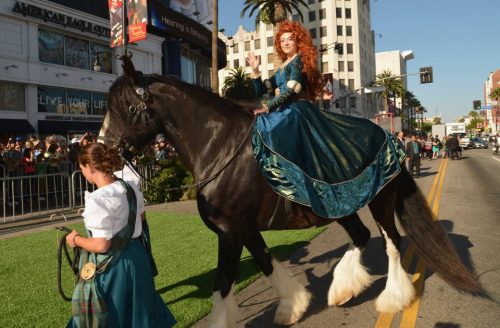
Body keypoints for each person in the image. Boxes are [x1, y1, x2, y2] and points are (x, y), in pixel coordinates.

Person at [245, 21, 406, 218]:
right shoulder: (282, 67)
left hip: (296, 111)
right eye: (282, 40)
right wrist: (254, 70)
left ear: (298, 41)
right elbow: (261, 90)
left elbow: (292, 89)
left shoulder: (299, 61)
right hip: (285, 110)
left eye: (290, 39)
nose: (286, 43)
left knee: (270, 129)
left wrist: (268, 106)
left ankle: (300, 184)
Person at [65, 143, 176, 327]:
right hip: (138, 258)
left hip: (114, 266)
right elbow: (142, 217)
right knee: (141, 314)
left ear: (90, 167)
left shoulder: (98, 199)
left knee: (111, 316)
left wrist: (75, 240)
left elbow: (101, 245)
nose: (82, 172)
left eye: (82, 167)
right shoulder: (130, 187)